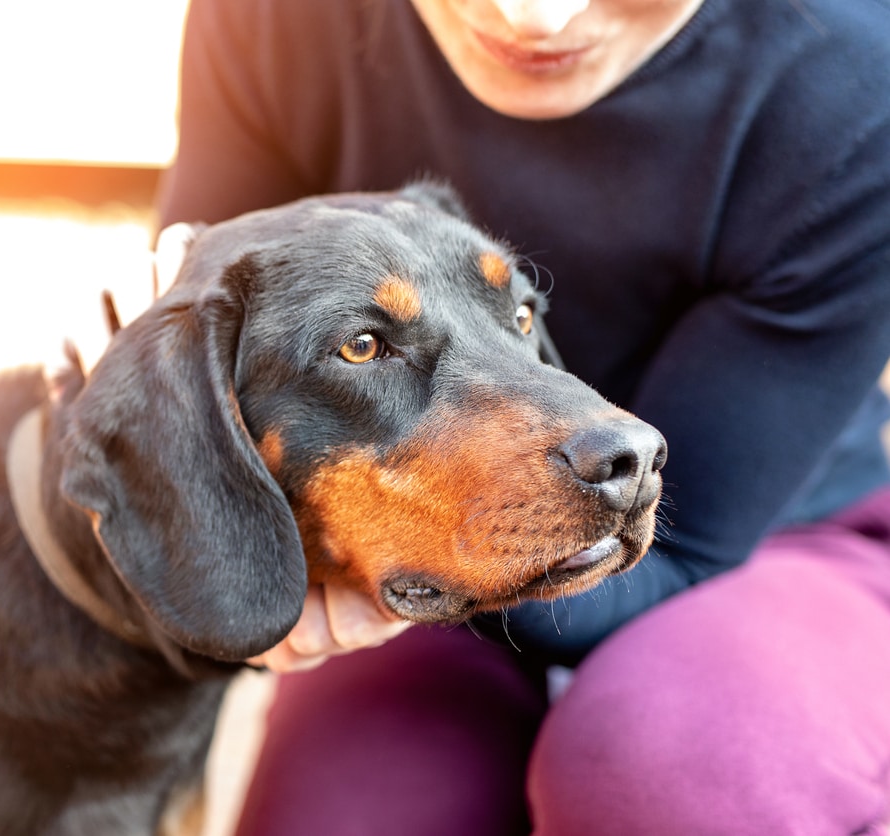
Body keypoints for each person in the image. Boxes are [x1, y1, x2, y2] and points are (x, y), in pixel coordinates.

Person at [155, 0, 890, 833]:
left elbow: (683, 548)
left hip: (770, 540)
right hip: (417, 554)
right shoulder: (274, 17)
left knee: (668, 781)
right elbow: (201, 308)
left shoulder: (856, 80)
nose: (534, 19)